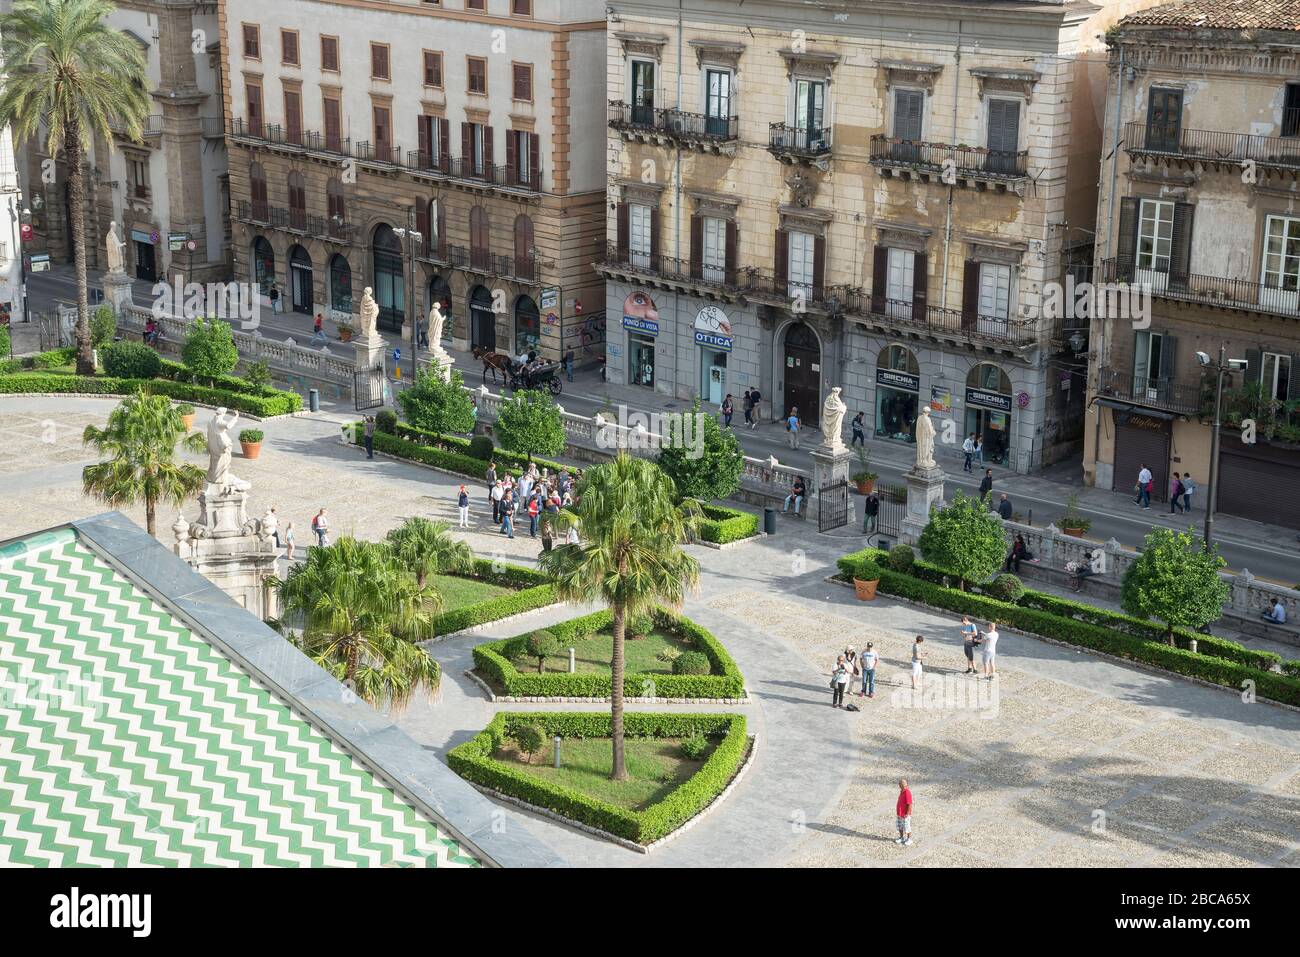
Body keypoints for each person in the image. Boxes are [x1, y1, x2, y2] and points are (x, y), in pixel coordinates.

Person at [896, 779, 913, 846]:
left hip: (905, 814)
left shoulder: (907, 793)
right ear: (900, 786)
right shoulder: (902, 791)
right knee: (900, 826)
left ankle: (909, 839)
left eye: (905, 785)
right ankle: (901, 837)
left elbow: (910, 804)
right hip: (900, 813)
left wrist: (907, 813)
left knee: (907, 826)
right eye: (903, 785)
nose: (904, 787)